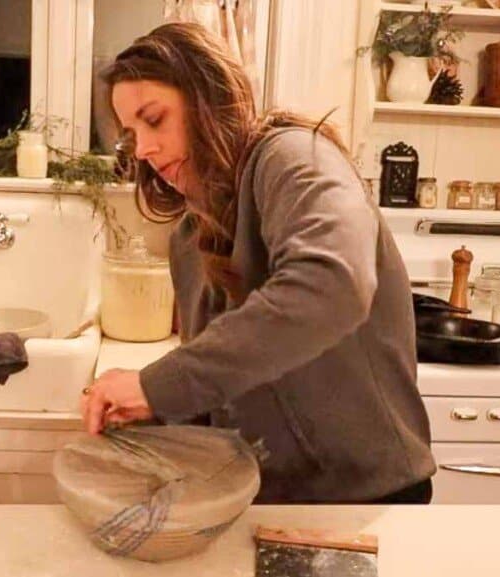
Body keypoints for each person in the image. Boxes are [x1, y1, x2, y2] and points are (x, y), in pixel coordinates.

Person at [81, 22, 435, 504]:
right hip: (269, 499)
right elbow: (226, 379)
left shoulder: (295, 156)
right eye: (131, 133)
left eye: (155, 119)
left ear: (207, 99)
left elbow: (332, 285)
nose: (142, 149)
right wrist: (151, 408)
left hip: (363, 498)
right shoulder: (190, 236)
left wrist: (157, 385)